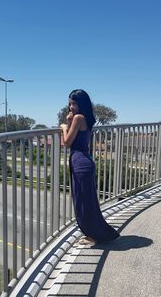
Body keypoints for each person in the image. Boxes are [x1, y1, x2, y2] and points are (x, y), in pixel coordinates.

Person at [60, 89, 120, 245]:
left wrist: (63, 127)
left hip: (80, 164)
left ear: (81, 104)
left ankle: (93, 235)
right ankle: (98, 232)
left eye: (74, 103)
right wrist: (69, 122)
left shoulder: (78, 118)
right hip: (84, 162)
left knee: (84, 203)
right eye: (70, 104)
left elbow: (67, 143)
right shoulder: (85, 118)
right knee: (89, 202)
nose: (71, 107)